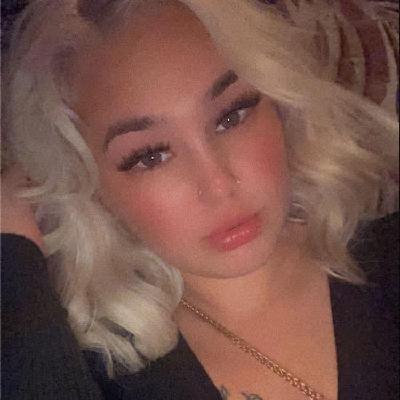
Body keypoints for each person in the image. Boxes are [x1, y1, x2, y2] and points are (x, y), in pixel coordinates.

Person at [1, 0, 398, 399]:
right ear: (91, 187)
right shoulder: (86, 367)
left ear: (280, 105)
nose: (218, 184)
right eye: (150, 157)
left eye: (231, 116)